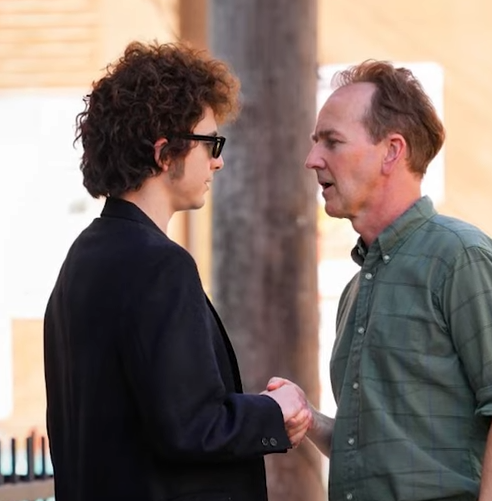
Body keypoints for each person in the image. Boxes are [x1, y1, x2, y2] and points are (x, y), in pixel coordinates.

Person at [43, 41, 311, 501]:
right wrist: (275, 411)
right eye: (210, 144)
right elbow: (191, 426)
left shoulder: (82, 260)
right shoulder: (160, 265)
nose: (218, 161)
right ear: (165, 153)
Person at [269, 61, 492, 501]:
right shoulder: (355, 290)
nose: (312, 159)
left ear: (392, 151)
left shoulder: (462, 256)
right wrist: (310, 418)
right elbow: (373, 453)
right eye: (315, 142)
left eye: (332, 142)